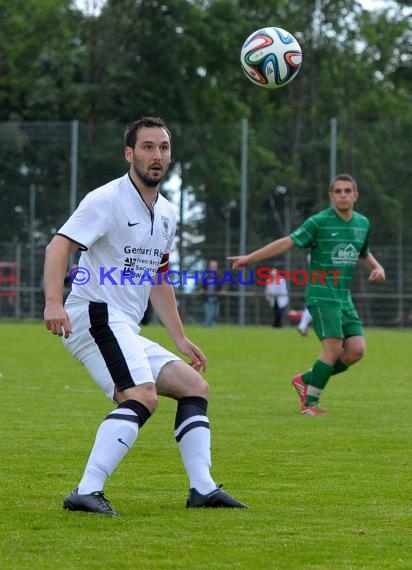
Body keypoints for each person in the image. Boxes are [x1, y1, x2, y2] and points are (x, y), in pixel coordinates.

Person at [43, 117, 246, 515]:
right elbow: (58, 246)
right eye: (148, 147)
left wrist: (180, 338)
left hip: (123, 325)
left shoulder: (167, 212)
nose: (157, 155)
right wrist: (53, 301)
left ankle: (202, 489)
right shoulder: (105, 199)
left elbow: (159, 278)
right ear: (129, 153)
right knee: (141, 396)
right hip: (95, 314)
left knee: (194, 387)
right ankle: (86, 491)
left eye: (164, 148)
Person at [229, 173, 385, 415]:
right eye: (338, 191)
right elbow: (287, 242)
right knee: (333, 349)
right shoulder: (319, 222)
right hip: (322, 294)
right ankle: (310, 404)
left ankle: (306, 380)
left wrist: (377, 267)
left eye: (347, 191)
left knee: (356, 350)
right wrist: (250, 258)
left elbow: (363, 251)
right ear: (331, 196)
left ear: (355, 195)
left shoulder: (362, 224)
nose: (343, 195)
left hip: (344, 297)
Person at [201, 259, 225, 327]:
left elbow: (224, 285)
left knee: (214, 313)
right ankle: (207, 326)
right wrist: (201, 290)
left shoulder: (219, 276)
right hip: (207, 298)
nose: (213, 268)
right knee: (209, 313)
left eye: (214, 266)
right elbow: (201, 285)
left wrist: (223, 290)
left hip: (216, 297)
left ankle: (210, 326)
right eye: (212, 266)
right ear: (209, 267)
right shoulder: (205, 276)